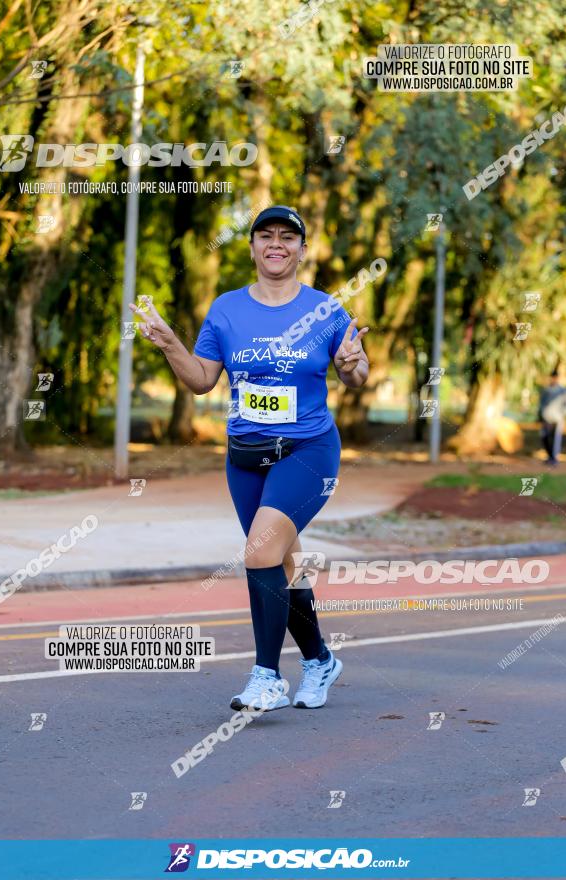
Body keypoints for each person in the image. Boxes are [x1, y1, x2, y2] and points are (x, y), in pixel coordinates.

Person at [129, 205, 369, 711]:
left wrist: (352, 365)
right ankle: (321, 660)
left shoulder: (327, 310)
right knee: (283, 562)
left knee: (260, 552)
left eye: (288, 237)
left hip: (308, 451)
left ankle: (266, 677)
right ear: (253, 246)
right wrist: (171, 343)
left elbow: (354, 372)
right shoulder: (226, 309)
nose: (276, 244)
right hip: (245, 456)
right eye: (266, 236)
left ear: (303, 249)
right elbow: (200, 381)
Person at [538, 370, 566, 466]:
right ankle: (549, 456)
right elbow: (541, 404)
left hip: (557, 419)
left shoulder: (562, 391)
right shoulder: (546, 390)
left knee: (555, 439)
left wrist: (562, 414)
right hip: (546, 419)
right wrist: (541, 415)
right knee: (544, 437)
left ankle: (554, 459)